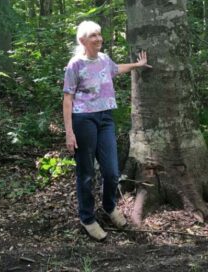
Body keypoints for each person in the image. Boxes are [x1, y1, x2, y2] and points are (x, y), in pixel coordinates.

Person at [62, 21, 150, 241]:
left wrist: (137, 65)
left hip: (105, 118)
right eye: (93, 36)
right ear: (82, 40)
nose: (99, 39)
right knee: (86, 172)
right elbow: (67, 99)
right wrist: (69, 132)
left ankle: (109, 207)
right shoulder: (75, 64)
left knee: (111, 171)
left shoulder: (103, 59)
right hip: (83, 120)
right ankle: (87, 218)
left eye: (100, 34)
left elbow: (115, 69)